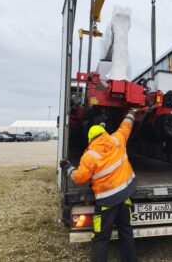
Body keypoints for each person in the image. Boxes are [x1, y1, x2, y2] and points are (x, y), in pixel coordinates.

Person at [60, 108, 138, 262]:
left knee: (101, 237)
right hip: (125, 196)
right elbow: (126, 125)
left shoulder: (89, 156)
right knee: (126, 232)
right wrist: (131, 113)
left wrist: (67, 168)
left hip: (107, 202)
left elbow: (79, 178)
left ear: (90, 139)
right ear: (104, 133)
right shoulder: (117, 139)